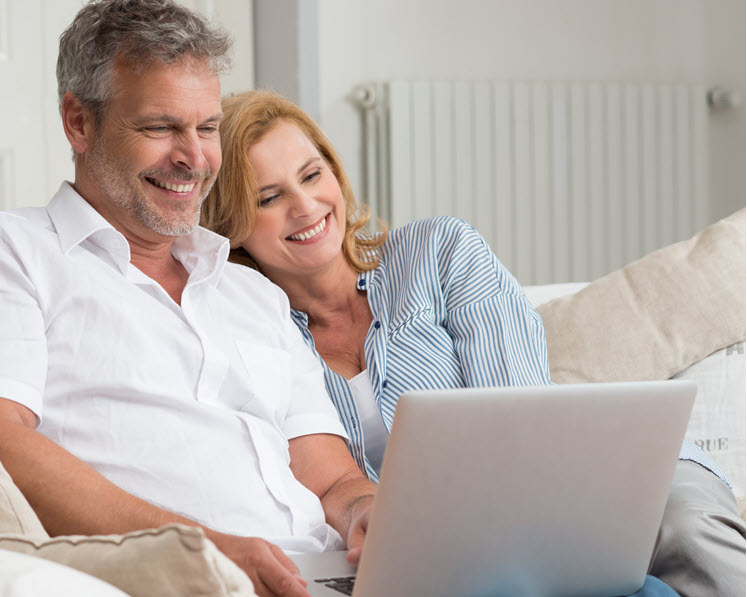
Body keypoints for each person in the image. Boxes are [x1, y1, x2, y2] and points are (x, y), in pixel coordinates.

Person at [0, 3, 375, 597]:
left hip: (330, 577)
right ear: (78, 122)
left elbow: (332, 482)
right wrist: (202, 551)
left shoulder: (251, 291)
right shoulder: (3, 253)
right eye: (159, 128)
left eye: (206, 128)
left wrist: (368, 511)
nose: (195, 158)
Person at [201, 89, 746, 597]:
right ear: (232, 223)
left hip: (585, 476)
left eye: (311, 174)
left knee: (687, 526)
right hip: (445, 543)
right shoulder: (257, 334)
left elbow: (524, 413)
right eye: (270, 197)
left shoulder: (438, 250)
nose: (305, 207)